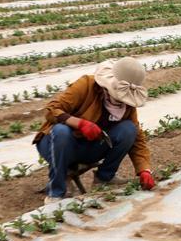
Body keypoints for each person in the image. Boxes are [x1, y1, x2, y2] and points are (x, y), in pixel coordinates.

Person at [33, 56, 156, 203]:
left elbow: (137, 138)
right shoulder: (86, 85)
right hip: (57, 144)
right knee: (61, 131)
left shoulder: (127, 105)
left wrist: (144, 170)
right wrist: (79, 124)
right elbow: (51, 110)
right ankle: (57, 191)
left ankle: (104, 178)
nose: (122, 101)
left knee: (128, 129)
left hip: (89, 147)